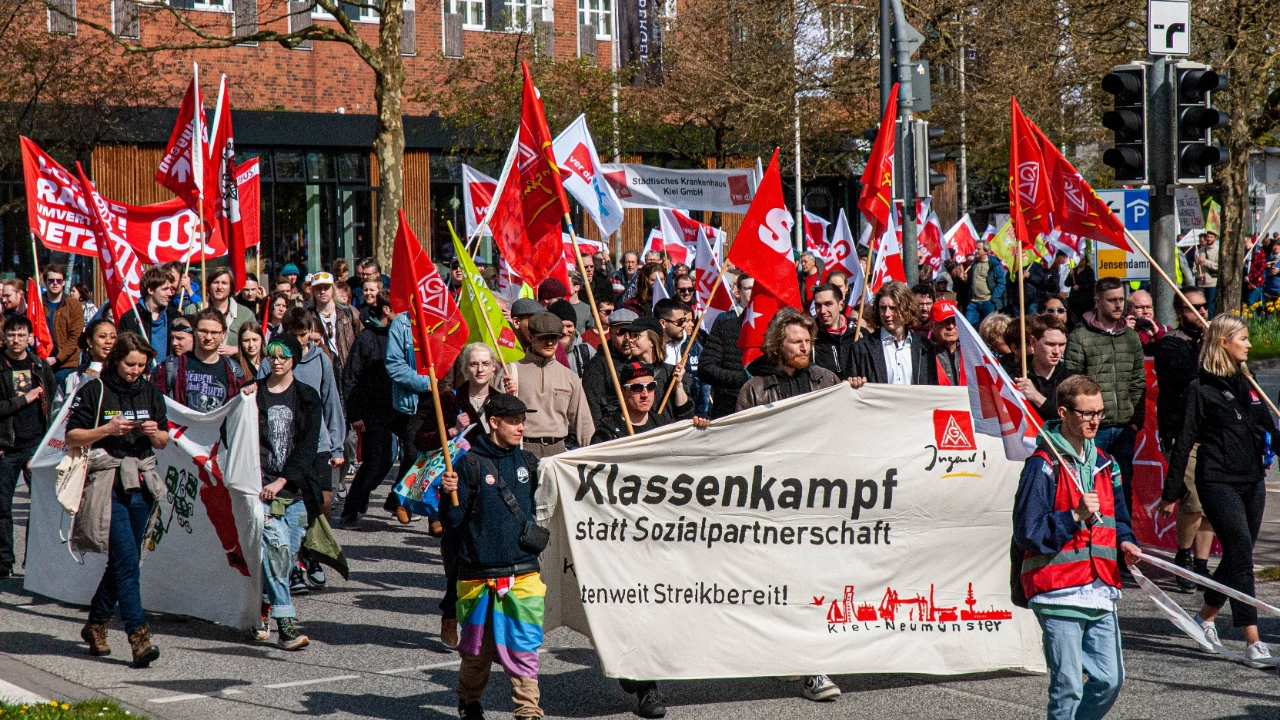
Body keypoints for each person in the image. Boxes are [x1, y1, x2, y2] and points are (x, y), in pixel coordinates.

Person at [734, 307, 846, 702]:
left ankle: (814, 666)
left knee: (814, 584)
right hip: (776, 503)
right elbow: (741, 445)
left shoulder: (828, 381)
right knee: (781, 583)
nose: (804, 347)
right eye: (796, 341)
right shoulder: (754, 390)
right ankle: (790, 654)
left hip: (821, 499)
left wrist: (857, 393)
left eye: (808, 341)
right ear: (777, 345)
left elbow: (849, 429)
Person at [1013, 374, 1140, 720]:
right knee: (1067, 687)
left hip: (1100, 586)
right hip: (1057, 589)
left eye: (1099, 412)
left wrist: (1126, 542)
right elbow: (1027, 532)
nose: (1095, 420)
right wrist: (1073, 516)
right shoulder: (1042, 464)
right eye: (1086, 413)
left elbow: (1119, 517)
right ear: (1064, 413)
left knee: (1110, 680)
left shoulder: (1106, 462)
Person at [1160, 314, 1275, 666]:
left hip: (1252, 480)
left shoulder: (1249, 384)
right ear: (1223, 343)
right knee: (1240, 551)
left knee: (1239, 555)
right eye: (1243, 338)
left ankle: (1205, 616)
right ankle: (1253, 640)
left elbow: (1270, 429)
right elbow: (1184, 443)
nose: (1250, 344)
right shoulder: (1201, 388)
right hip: (1217, 480)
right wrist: (1171, 492)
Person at [67, 331, 170, 667]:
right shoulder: (95, 389)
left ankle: (96, 624)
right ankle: (139, 638)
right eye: (129, 364)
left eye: (141, 365)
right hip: (107, 482)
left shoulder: (151, 392)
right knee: (127, 563)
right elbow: (72, 435)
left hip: (140, 482)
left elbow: (164, 440)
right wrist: (107, 430)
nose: (135, 371)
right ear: (115, 360)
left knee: (125, 560)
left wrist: (154, 432)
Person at [439, 394, 546, 720]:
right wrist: (448, 494)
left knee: (525, 647)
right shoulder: (467, 464)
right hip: (478, 575)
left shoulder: (529, 462)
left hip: (524, 571)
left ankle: (528, 712)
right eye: (513, 421)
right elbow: (452, 523)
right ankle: (468, 702)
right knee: (477, 653)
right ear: (494, 422)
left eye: (522, 420)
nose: (521, 427)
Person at [414, 342, 503, 646]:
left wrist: (513, 403)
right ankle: (450, 614)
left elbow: (514, 439)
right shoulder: (449, 400)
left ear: (494, 367)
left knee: (488, 557)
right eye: (474, 364)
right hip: (455, 486)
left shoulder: (500, 401)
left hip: (490, 487)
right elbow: (422, 439)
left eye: (485, 364)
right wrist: (452, 430)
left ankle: (483, 625)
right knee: (456, 556)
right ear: (465, 368)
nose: (480, 369)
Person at [254, 333, 323, 650]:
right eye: (272, 355)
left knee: (284, 558)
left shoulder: (307, 396)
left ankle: (262, 605)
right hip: (261, 491)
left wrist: (282, 482)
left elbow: (308, 446)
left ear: (294, 359)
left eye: (283, 356)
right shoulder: (253, 394)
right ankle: (287, 627)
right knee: (277, 551)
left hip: (294, 493)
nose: (277, 361)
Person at [1065, 277, 1145, 511]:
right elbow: (1073, 383)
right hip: (1093, 428)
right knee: (1089, 485)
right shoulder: (1080, 337)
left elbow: (1138, 380)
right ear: (1097, 301)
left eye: (1121, 299)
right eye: (1112, 300)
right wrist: (1085, 418)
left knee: (1123, 486)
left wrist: (1133, 421)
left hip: (1123, 427)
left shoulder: (1130, 337)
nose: (1118, 305)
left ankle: (1123, 533)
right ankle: (1093, 531)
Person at [1151, 289, 1213, 592]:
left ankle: (1201, 563)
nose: (1200, 312)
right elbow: (1186, 377)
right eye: (1192, 308)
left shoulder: (1213, 343)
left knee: (1211, 499)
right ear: (1179, 312)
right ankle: (1184, 556)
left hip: (1212, 431)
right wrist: (1205, 345)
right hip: (1181, 431)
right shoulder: (1170, 344)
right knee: (1193, 498)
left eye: (1203, 307)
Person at [0, 316, 54, 579]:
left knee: (42, 505)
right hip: (6, 447)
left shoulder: (39, 365)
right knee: (2, 508)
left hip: (36, 445)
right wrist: (24, 399)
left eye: (21, 335)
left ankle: (34, 561)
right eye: (11, 335)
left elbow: (52, 401)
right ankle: (3, 562)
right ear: (4, 337)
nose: (16, 340)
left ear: (30, 337)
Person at [338, 291, 396, 530]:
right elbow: (350, 377)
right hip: (372, 409)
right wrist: (356, 414)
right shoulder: (367, 338)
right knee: (374, 462)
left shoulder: (401, 335)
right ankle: (350, 510)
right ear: (386, 310)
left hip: (397, 408)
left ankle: (389, 499)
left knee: (393, 459)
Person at [510, 312, 593, 458]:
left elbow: (583, 422)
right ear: (531, 337)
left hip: (558, 450)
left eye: (554, 337)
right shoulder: (511, 372)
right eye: (543, 337)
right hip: (522, 448)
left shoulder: (569, 376)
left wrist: (594, 457)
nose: (549, 343)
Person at [386, 306, 435, 523]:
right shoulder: (402, 323)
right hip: (414, 402)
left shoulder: (449, 320)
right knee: (414, 454)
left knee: (441, 456)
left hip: (444, 399)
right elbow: (394, 364)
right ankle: (401, 500)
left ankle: (435, 515)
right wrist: (426, 383)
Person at [152, 307, 248, 412]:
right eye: (203, 331)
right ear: (194, 331)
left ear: (223, 334)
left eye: (214, 332)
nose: (208, 337)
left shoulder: (234, 371)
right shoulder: (172, 367)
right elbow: (155, 403)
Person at [850, 282, 938, 386]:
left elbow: (931, 387)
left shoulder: (924, 347)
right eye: (883, 308)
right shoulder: (862, 348)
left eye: (893, 308)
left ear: (907, 309)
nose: (886, 314)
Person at [699, 273, 753, 418]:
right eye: (748, 288)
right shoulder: (725, 322)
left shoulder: (773, 323)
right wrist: (742, 379)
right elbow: (706, 367)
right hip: (729, 406)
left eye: (757, 289)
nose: (753, 293)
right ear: (738, 292)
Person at [1014, 314, 1077, 418]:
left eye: (1061, 344)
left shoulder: (1071, 379)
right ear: (1033, 342)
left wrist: (1036, 397)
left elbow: (1070, 419)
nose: (1057, 351)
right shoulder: (1016, 374)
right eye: (1050, 344)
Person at [119, 266, 179, 362]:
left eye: (170, 289)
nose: (170, 293)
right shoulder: (130, 318)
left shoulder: (174, 316)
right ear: (150, 290)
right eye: (165, 289)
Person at [56, 319, 117, 412]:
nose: (109, 341)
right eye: (102, 336)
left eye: (113, 337)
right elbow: (60, 411)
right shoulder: (75, 376)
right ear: (90, 341)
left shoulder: (125, 372)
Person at [307, 271, 359, 371]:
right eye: (318, 288)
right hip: (321, 369)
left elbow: (362, 340)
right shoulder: (308, 316)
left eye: (326, 287)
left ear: (333, 289)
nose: (322, 291)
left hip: (348, 369)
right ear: (313, 291)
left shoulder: (349, 312)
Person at [43, 265, 85, 382]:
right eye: (51, 280)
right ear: (45, 282)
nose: (55, 284)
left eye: (59, 281)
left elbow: (75, 337)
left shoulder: (74, 305)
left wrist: (58, 358)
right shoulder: (37, 304)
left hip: (66, 365)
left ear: (64, 282)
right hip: (42, 363)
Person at [203, 267, 257, 352]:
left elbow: (260, 346)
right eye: (216, 282)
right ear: (209, 285)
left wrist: (236, 349)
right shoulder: (194, 310)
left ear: (231, 287)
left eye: (224, 283)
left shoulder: (245, 315)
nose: (219, 287)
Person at [812, 283, 858, 379]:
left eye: (828, 304)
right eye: (818, 305)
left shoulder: (859, 334)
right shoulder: (810, 337)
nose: (823, 310)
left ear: (841, 305)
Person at [964, 241, 1007, 324]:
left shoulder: (994, 264)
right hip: (973, 303)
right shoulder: (973, 264)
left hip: (988, 302)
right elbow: (970, 282)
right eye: (975, 248)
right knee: (968, 326)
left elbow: (1001, 283)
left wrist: (993, 300)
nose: (975, 251)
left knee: (987, 327)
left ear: (986, 251)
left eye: (978, 249)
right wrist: (965, 279)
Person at [548, 299, 593, 377]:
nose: (564, 331)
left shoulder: (586, 352)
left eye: (569, 326)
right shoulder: (544, 351)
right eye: (560, 326)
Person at [929, 300, 963, 385]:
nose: (951, 326)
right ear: (931, 326)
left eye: (954, 321)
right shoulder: (924, 355)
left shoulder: (969, 354)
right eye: (944, 321)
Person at [1194, 230, 1219, 315]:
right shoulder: (1200, 250)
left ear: (1215, 238)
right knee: (1201, 304)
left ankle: (1211, 320)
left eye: (1211, 237)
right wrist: (1198, 275)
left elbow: (1218, 266)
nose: (1209, 239)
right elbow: (1194, 268)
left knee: (1211, 304)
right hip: (1201, 283)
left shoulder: (1218, 250)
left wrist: (1205, 261)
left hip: (1212, 283)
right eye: (1208, 237)